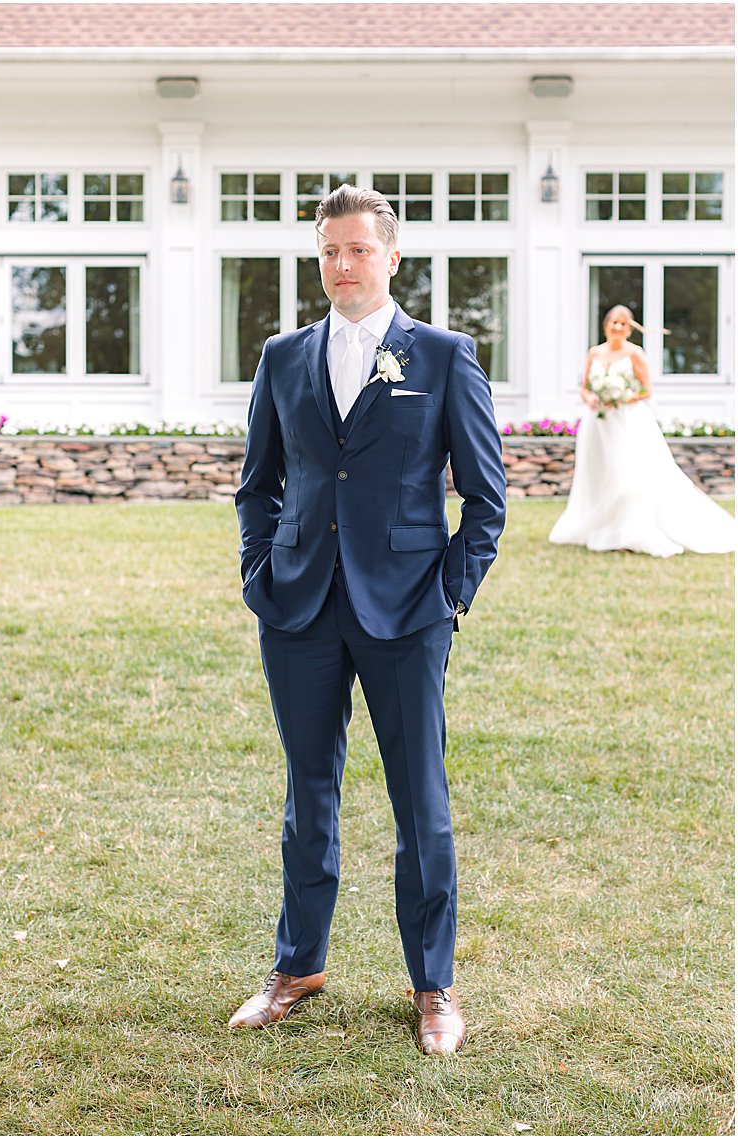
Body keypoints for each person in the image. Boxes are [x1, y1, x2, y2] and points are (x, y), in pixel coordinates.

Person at [231, 185, 508, 1055]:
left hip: (406, 611)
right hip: (300, 605)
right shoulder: (282, 356)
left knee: (417, 797)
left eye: (357, 250)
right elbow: (259, 484)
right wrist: (260, 572)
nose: (341, 267)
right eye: (328, 252)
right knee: (307, 793)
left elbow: (486, 498)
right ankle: (297, 964)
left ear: (393, 256)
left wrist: (449, 594)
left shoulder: (443, 353)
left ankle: (433, 984)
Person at [549, 305, 737, 556]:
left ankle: (627, 532)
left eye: (623, 323)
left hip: (627, 422)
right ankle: (599, 527)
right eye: (613, 322)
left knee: (626, 476)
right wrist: (592, 398)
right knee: (599, 473)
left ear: (629, 329)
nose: (617, 327)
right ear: (605, 325)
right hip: (597, 423)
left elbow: (646, 390)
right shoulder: (594, 353)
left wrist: (622, 397)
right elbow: (584, 387)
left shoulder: (635, 353)